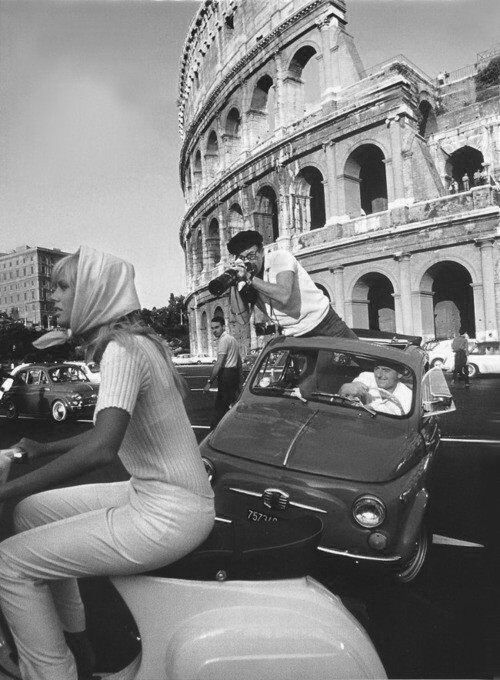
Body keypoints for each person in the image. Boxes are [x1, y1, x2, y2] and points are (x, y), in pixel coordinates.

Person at [0, 246, 215, 680]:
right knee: (29, 515)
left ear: (94, 292)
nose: (53, 293)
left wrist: (5, 489)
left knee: (8, 562)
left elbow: (102, 450)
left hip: (167, 514)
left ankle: (52, 671)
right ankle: (75, 639)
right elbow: (106, 433)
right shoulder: (134, 344)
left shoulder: (121, 349)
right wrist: (44, 449)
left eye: (63, 286)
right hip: (158, 495)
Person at [227, 230, 357, 339]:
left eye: (251, 255)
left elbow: (284, 295)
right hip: (295, 335)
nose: (247, 261)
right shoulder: (246, 279)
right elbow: (242, 319)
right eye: (242, 258)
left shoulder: (280, 258)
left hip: (324, 323)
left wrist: (250, 278)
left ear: (261, 251)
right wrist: (233, 282)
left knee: (361, 360)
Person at [203, 315, 242, 428]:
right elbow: (239, 362)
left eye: (217, 327)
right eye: (212, 328)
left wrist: (209, 382)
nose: (214, 330)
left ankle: (213, 433)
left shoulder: (223, 340)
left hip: (226, 375)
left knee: (220, 408)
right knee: (232, 405)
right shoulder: (232, 339)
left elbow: (219, 363)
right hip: (233, 375)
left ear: (223, 326)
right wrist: (239, 380)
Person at [339, 364, 412, 415]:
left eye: (386, 370)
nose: (378, 375)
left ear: (399, 374)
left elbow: (399, 421)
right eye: (377, 369)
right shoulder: (367, 376)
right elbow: (345, 392)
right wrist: (347, 387)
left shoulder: (408, 396)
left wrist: (372, 407)